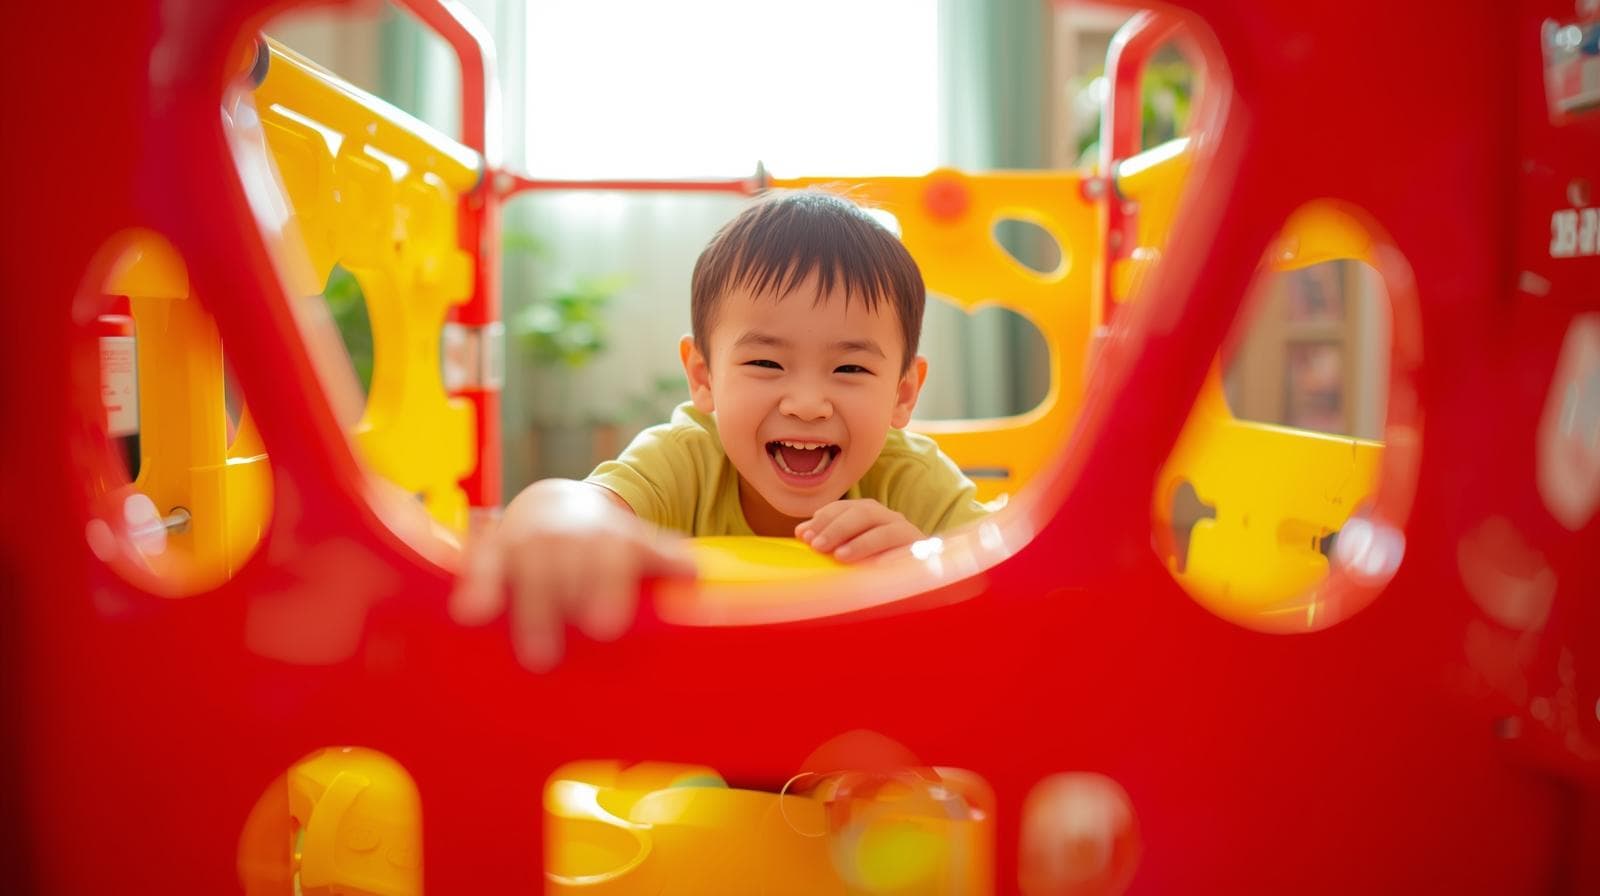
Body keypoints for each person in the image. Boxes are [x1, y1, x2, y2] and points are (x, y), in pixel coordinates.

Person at [451, 189, 990, 670]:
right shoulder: (686, 458)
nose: (806, 405)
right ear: (703, 378)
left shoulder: (912, 480)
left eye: (850, 369)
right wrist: (556, 516)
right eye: (766, 365)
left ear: (902, 393)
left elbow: (1008, 590)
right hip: (695, 727)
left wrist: (928, 566)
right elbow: (580, 504)